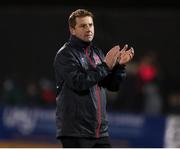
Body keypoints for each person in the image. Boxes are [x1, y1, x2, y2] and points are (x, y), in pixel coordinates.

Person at [53, 9, 134, 148]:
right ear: (72, 30)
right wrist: (106, 66)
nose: (88, 29)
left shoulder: (96, 52)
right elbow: (79, 82)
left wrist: (119, 67)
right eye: (83, 26)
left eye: (90, 25)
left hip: (99, 132)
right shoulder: (65, 55)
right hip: (75, 132)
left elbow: (112, 86)